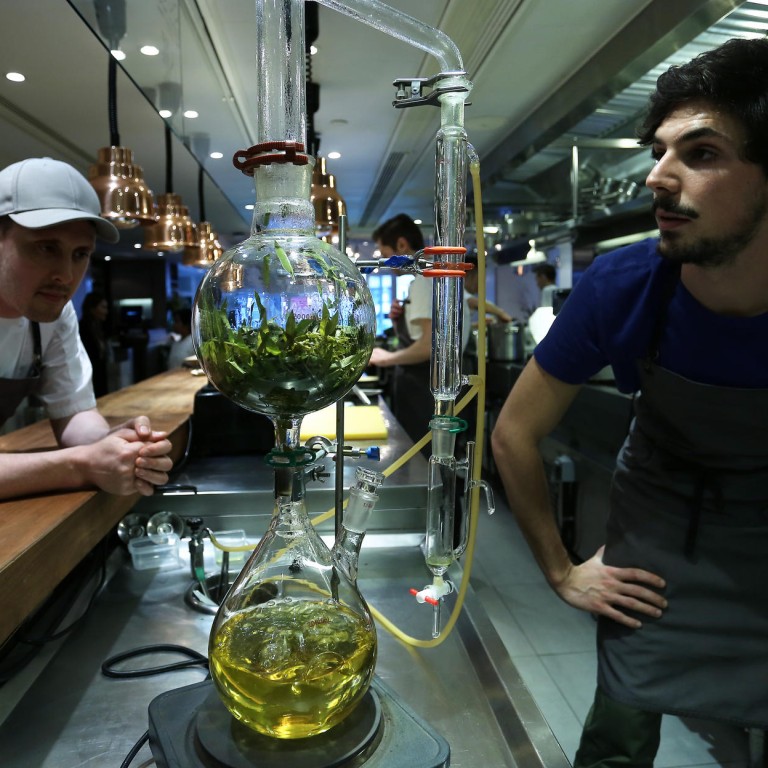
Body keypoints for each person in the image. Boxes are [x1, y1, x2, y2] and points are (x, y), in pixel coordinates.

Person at [491, 37, 768, 767]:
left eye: (700, 153)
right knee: (618, 738)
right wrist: (561, 571)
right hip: (657, 540)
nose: (657, 176)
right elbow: (513, 434)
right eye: (658, 150)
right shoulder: (622, 287)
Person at [0, 157, 173, 499]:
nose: (65, 275)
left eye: (80, 254)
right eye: (46, 248)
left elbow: (74, 413)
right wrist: (81, 464)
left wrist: (115, 445)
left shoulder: (53, 316)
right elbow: (80, 459)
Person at [368, 213, 469, 446]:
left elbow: (428, 347)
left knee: (422, 457)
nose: (384, 262)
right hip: (434, 386)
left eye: (385, 254)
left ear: (401, 245)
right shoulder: (438, 277)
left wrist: (386, 358)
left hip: (425, 389)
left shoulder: (424, 281)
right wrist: (399, 321)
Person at [463, 253, 513, 324]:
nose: (481, 282)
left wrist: (477, 325)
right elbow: (474, 302)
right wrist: (501, 313)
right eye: (479, 277)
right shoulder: (459, 293)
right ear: (469, 275)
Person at [79, 291, 110, 396]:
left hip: (99, 375)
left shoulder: (99, 328)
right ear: (92, 308)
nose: (106, 311)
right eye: (103, 307)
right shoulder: (82, 328)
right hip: (89, 377)